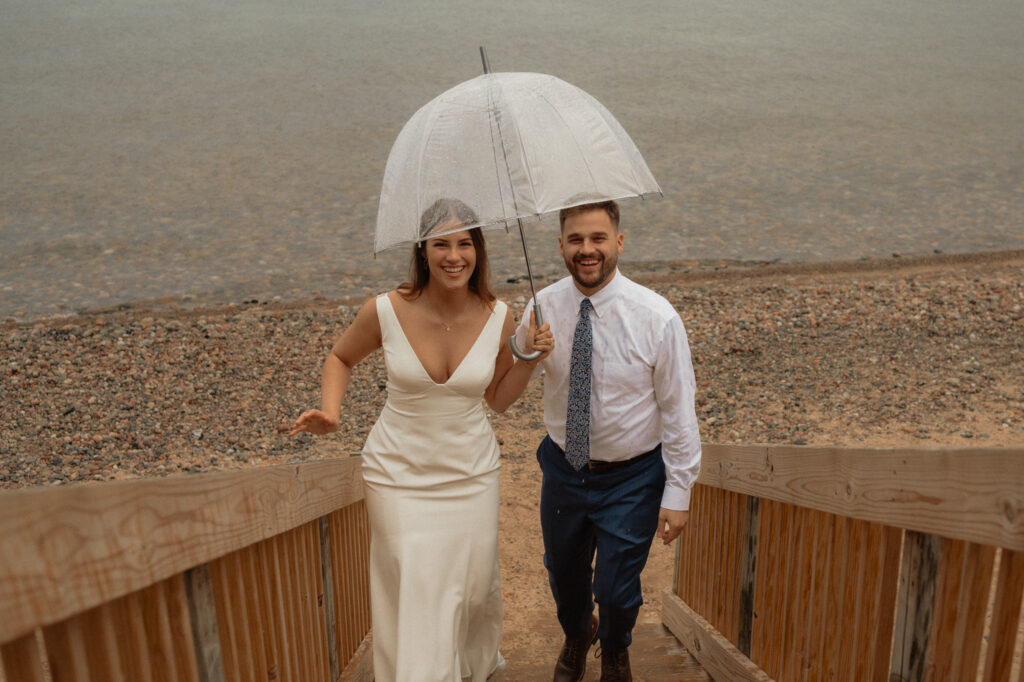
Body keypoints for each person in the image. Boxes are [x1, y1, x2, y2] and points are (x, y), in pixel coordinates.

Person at [292, 198, 552, 682]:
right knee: (416, 585)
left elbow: (497, 398)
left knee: (470, 589)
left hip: (472, 474)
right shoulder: (385, 309)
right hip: (397, 473)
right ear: (423, 250)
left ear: (478, 250)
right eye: (441, 244)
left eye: (464, 243)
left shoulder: (500, 316)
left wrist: (530, 360)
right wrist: (331, 412)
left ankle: (466, 664)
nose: (454, 256)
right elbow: (341, 358)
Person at [513, 200, 701, 682]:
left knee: (617, 589)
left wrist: (678, 492)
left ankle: (615, 648)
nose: (587, 249)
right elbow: (515, 358)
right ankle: (579, 634)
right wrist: (526, 350)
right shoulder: (542, 305)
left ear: (618, 242)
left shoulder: (656, 317)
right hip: (563, 468)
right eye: (575, 240)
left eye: (597, 238)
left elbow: (679, 411)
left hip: (633, 476)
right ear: (560, 246)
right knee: (564, 577)